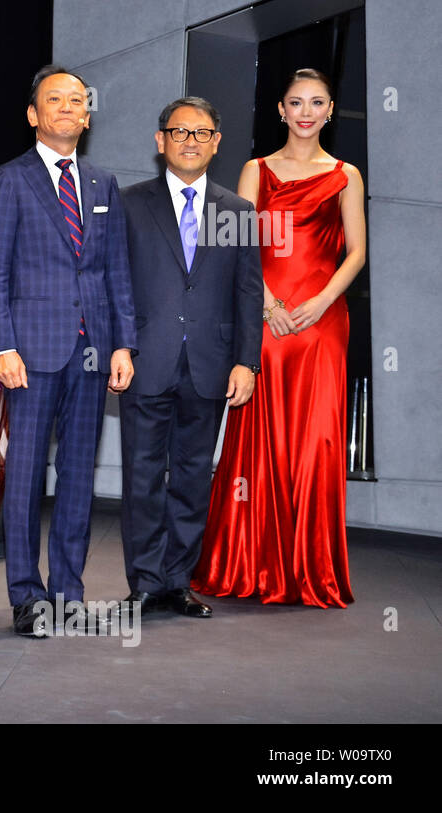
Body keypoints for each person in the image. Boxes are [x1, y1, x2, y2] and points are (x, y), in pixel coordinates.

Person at [194, 68, 366, 608]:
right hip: (264, 321)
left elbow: (356, 252)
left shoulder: (346, 174)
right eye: (296, 102)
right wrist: (268, 305)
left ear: (331, 110)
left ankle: (309, 569)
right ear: (281, 110)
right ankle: (247, 563)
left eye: (317, 102)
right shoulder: (255, 171)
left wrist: (319, 302)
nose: (307, 112)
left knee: (316, 444)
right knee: (255, 441)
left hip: (321, 326)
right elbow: (239, 247)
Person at [0, 64, 137, 637]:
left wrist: (123, 344)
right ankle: (26, 594)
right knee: (23, 476)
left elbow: (117, 271)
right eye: (55, 100)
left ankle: (69, 591)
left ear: (87, 115)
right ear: (33, 114)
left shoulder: (102, 184)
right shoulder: (6, 181)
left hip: (93, 351)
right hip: (30, 353)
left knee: (76, 475)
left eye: (77, 101)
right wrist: (2, 346)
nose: (68, 108)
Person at [117, 97, 263, 620]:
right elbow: (118, 286)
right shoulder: (129, 203)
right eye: (179, 131)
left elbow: (249, 292)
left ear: (217, 143)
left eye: (202, 133)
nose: (190, 141)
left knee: (192, 476)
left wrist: (247, 361)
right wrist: (119, 345)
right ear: (160, 140)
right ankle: (144, 581)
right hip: (143, 361)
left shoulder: (239, 212)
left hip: (211, 364)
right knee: (141, 476)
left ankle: (177, 580)